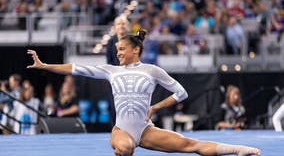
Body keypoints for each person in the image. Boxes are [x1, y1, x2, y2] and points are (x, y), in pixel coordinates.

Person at [27, 29, 260, 156]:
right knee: (126, 147)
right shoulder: (110, 71)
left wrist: (156, 107)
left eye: (122, 49)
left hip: (146, 130)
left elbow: (181, 93)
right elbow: (75, 68)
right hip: (122, 131)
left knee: (191, 145)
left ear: (135, 49)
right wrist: (45, 65)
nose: (117, 53)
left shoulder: (152, 70)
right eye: (117, 49)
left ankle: (239, 150)